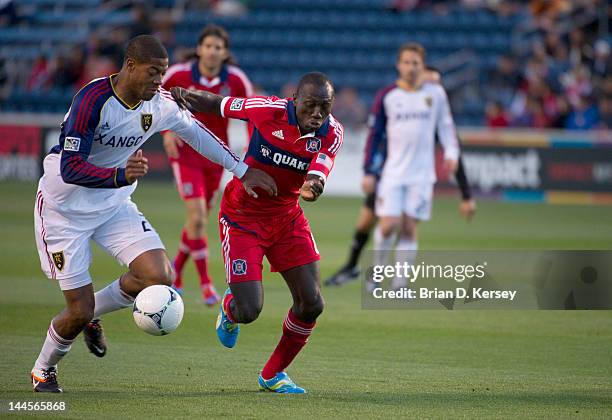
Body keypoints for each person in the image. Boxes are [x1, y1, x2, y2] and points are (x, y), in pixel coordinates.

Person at [31, 35, 276, 393]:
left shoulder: (158, 104)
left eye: (163, 73)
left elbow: (197, 134)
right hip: (64, 210)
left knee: (159, 274)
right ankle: (42, 369)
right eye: (153, 72)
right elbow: (70, 168)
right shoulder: (92, 100)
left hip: (113, 205)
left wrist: (241, 169)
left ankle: (92, 314)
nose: (160, 81)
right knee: (77, 312)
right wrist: (119, 175)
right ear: (130, 66)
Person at [171, 71, 343, 393]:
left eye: (325, 107)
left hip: (287, 218)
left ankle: (272, 374)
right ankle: (229, 309)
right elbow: (220, 105)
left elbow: (320, 170)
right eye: (310, 106)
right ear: (295, 101)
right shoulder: (267, 109)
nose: (317, 114)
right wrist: (184, 94)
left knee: (312, 303)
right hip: (242, 218)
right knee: (249, 311)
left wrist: (313, 186)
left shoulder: (331, 132)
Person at [325, 65, 475, 286]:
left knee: (404, 226)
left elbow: (455, 154)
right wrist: (373, 172)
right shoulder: (401, 107)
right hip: (388, 174)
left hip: (415, 179)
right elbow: (378, 139)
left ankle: (395, 281)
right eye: (431, 81)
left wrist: (466, 196)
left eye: (437, 83)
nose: (435, 87)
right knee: (367, 222)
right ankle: (352, 267)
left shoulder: (436, 117)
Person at [162, 24, 253, 305]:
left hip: (216, 157)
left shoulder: (236, 80)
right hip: (186, 154)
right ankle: (205, 285)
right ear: (199, 49)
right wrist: (166, 132)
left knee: (196, 221)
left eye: (218, 47)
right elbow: (157, 99)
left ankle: (175, 274)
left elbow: (252, 115)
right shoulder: (178, 74)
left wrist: (251, 149)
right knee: (199, 217)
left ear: (225, 53)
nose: (212, 52)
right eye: (208, 46)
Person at [364, 43, 460, 290]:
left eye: (415, 63)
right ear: (398, 65)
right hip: (393, 172)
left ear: (422, 66)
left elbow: (446, 127)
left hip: (422, 175)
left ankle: (400, 284)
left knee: (409, 227)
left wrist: (451, 152)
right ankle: (375, 274)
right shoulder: (388, 96)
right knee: (388, 225)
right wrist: (368, 170)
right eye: (406, 62)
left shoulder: (436, 95)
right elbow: (374, 136)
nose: (410, 67)